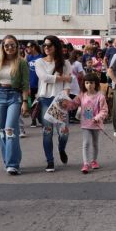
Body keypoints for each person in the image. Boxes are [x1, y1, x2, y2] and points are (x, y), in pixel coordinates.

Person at [0, 35, 30, 175]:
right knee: (1, 131)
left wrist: (25, 103)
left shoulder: (21, 62)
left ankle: (13, 164)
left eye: (12, 45)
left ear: (16, 47)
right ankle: (9, 159)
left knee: (10, 129)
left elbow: (25, 84)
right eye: (6, 45)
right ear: (2, 47)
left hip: (14, 96)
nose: (9, 47)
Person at [35, 36, 73, 172]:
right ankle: (50, 161)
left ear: (56, 46)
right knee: (47, 132)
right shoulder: (39, 62)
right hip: (45, 99)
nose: (46, 47)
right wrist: (64, 77)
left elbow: (69, 83)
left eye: (49, 45)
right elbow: (45, 78)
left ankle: (61, 148)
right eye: (44, 45)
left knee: (64, 132)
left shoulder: (65, 63)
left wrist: (65, 97)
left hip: (60, 99)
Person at [66, 72, 108, 174]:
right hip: (85, 125)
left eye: (92, 83)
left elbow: (104, 110)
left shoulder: (100, 97)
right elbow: (74, 104)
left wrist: (97, 117)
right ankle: (86, 163)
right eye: (87, 83)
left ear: (96, 84)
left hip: (96, 124)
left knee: (95, 144)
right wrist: (65, 104)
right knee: (86, 143)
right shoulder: (81, 95)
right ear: (84, 84)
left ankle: (94, 161)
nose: (89, 85)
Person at [25, 41, 43, 127]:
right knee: (32, 103)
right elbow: (26, 70)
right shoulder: (28, 57)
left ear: (34, 47)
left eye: (28, 47)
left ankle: (41, 118)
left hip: (41, 84)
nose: (27, 49)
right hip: (31, 84)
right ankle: (33, 120)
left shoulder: (42, 56)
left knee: (41, 102)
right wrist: (27, 84)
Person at [68, 50, 85, 124]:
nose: (82, 58)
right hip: (75, 83)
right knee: (76, 99)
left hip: (67, 82)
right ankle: (72, 116)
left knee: (69, 99)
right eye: (81, 56)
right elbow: (81, 74)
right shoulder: (78, 63)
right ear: (77, 55)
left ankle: (69, 116)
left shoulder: (68, 62)